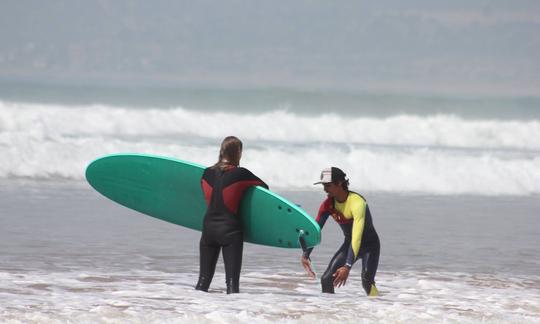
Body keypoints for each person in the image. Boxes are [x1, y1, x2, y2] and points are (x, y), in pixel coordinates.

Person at [195, 136, 268, 294]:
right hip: (230, 231)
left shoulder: (206, 173)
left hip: (208, 230)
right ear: (238, 152)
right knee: (232, 283)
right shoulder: (241, 174)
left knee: (203, 281)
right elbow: (264, 189)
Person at [301, 167, 380, 296]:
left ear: (339, 183)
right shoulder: (327, 205)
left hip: (369, 246)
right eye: (323, 185)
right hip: (349, 244)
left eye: (328, 185)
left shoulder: (357, 203)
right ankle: (329, 312)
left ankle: (379, 306)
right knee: (326, 279)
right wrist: (306, 254)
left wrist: (347, 266)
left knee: (367, 281)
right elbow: (316, 229)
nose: (325, 189)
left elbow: (357, 237)